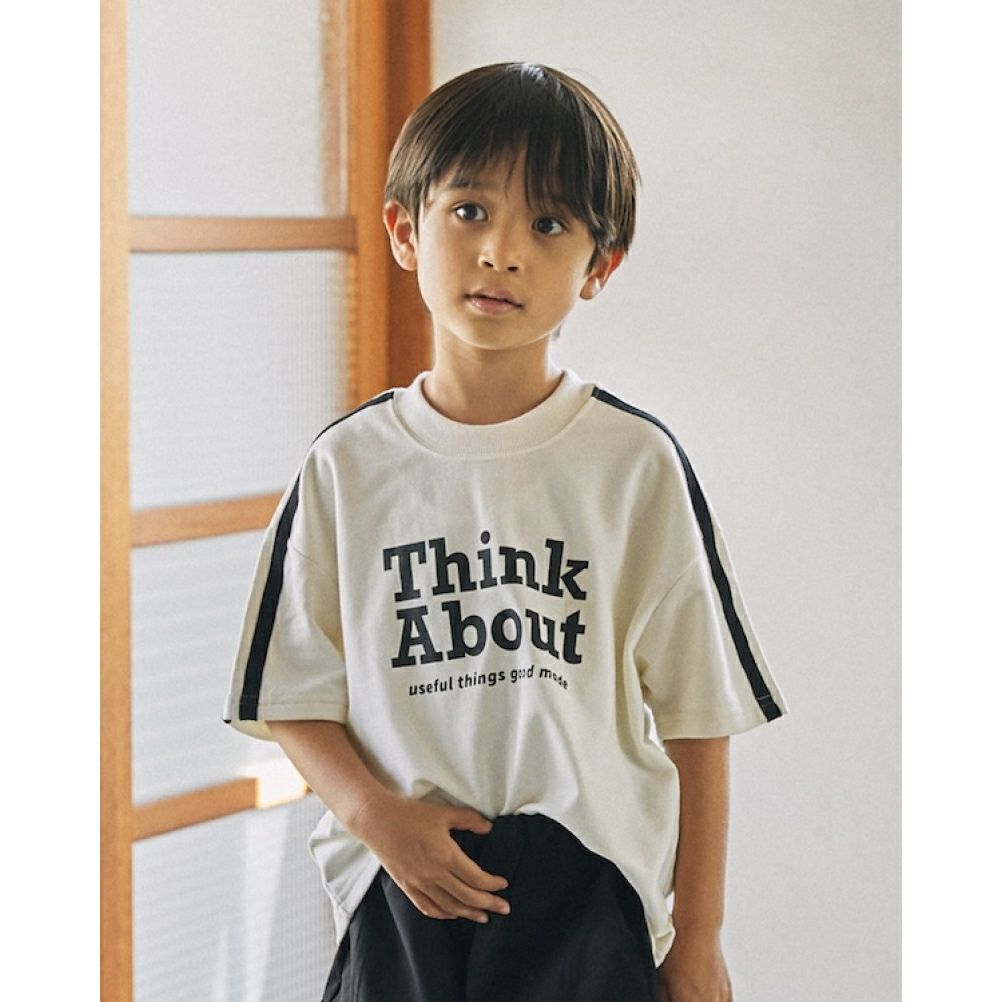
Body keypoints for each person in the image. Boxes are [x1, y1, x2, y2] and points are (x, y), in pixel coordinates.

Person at [224, 62, 786, 1002]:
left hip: (587, 901)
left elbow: (699, 722)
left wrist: (700, 938)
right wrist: (376, 818)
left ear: (600, 266)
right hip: (400, 894)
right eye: (470, 211)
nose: (502, 251)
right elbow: (288, 690)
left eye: (549, 224)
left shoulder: (633, 464)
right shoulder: (346, 467)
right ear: (405, 230)